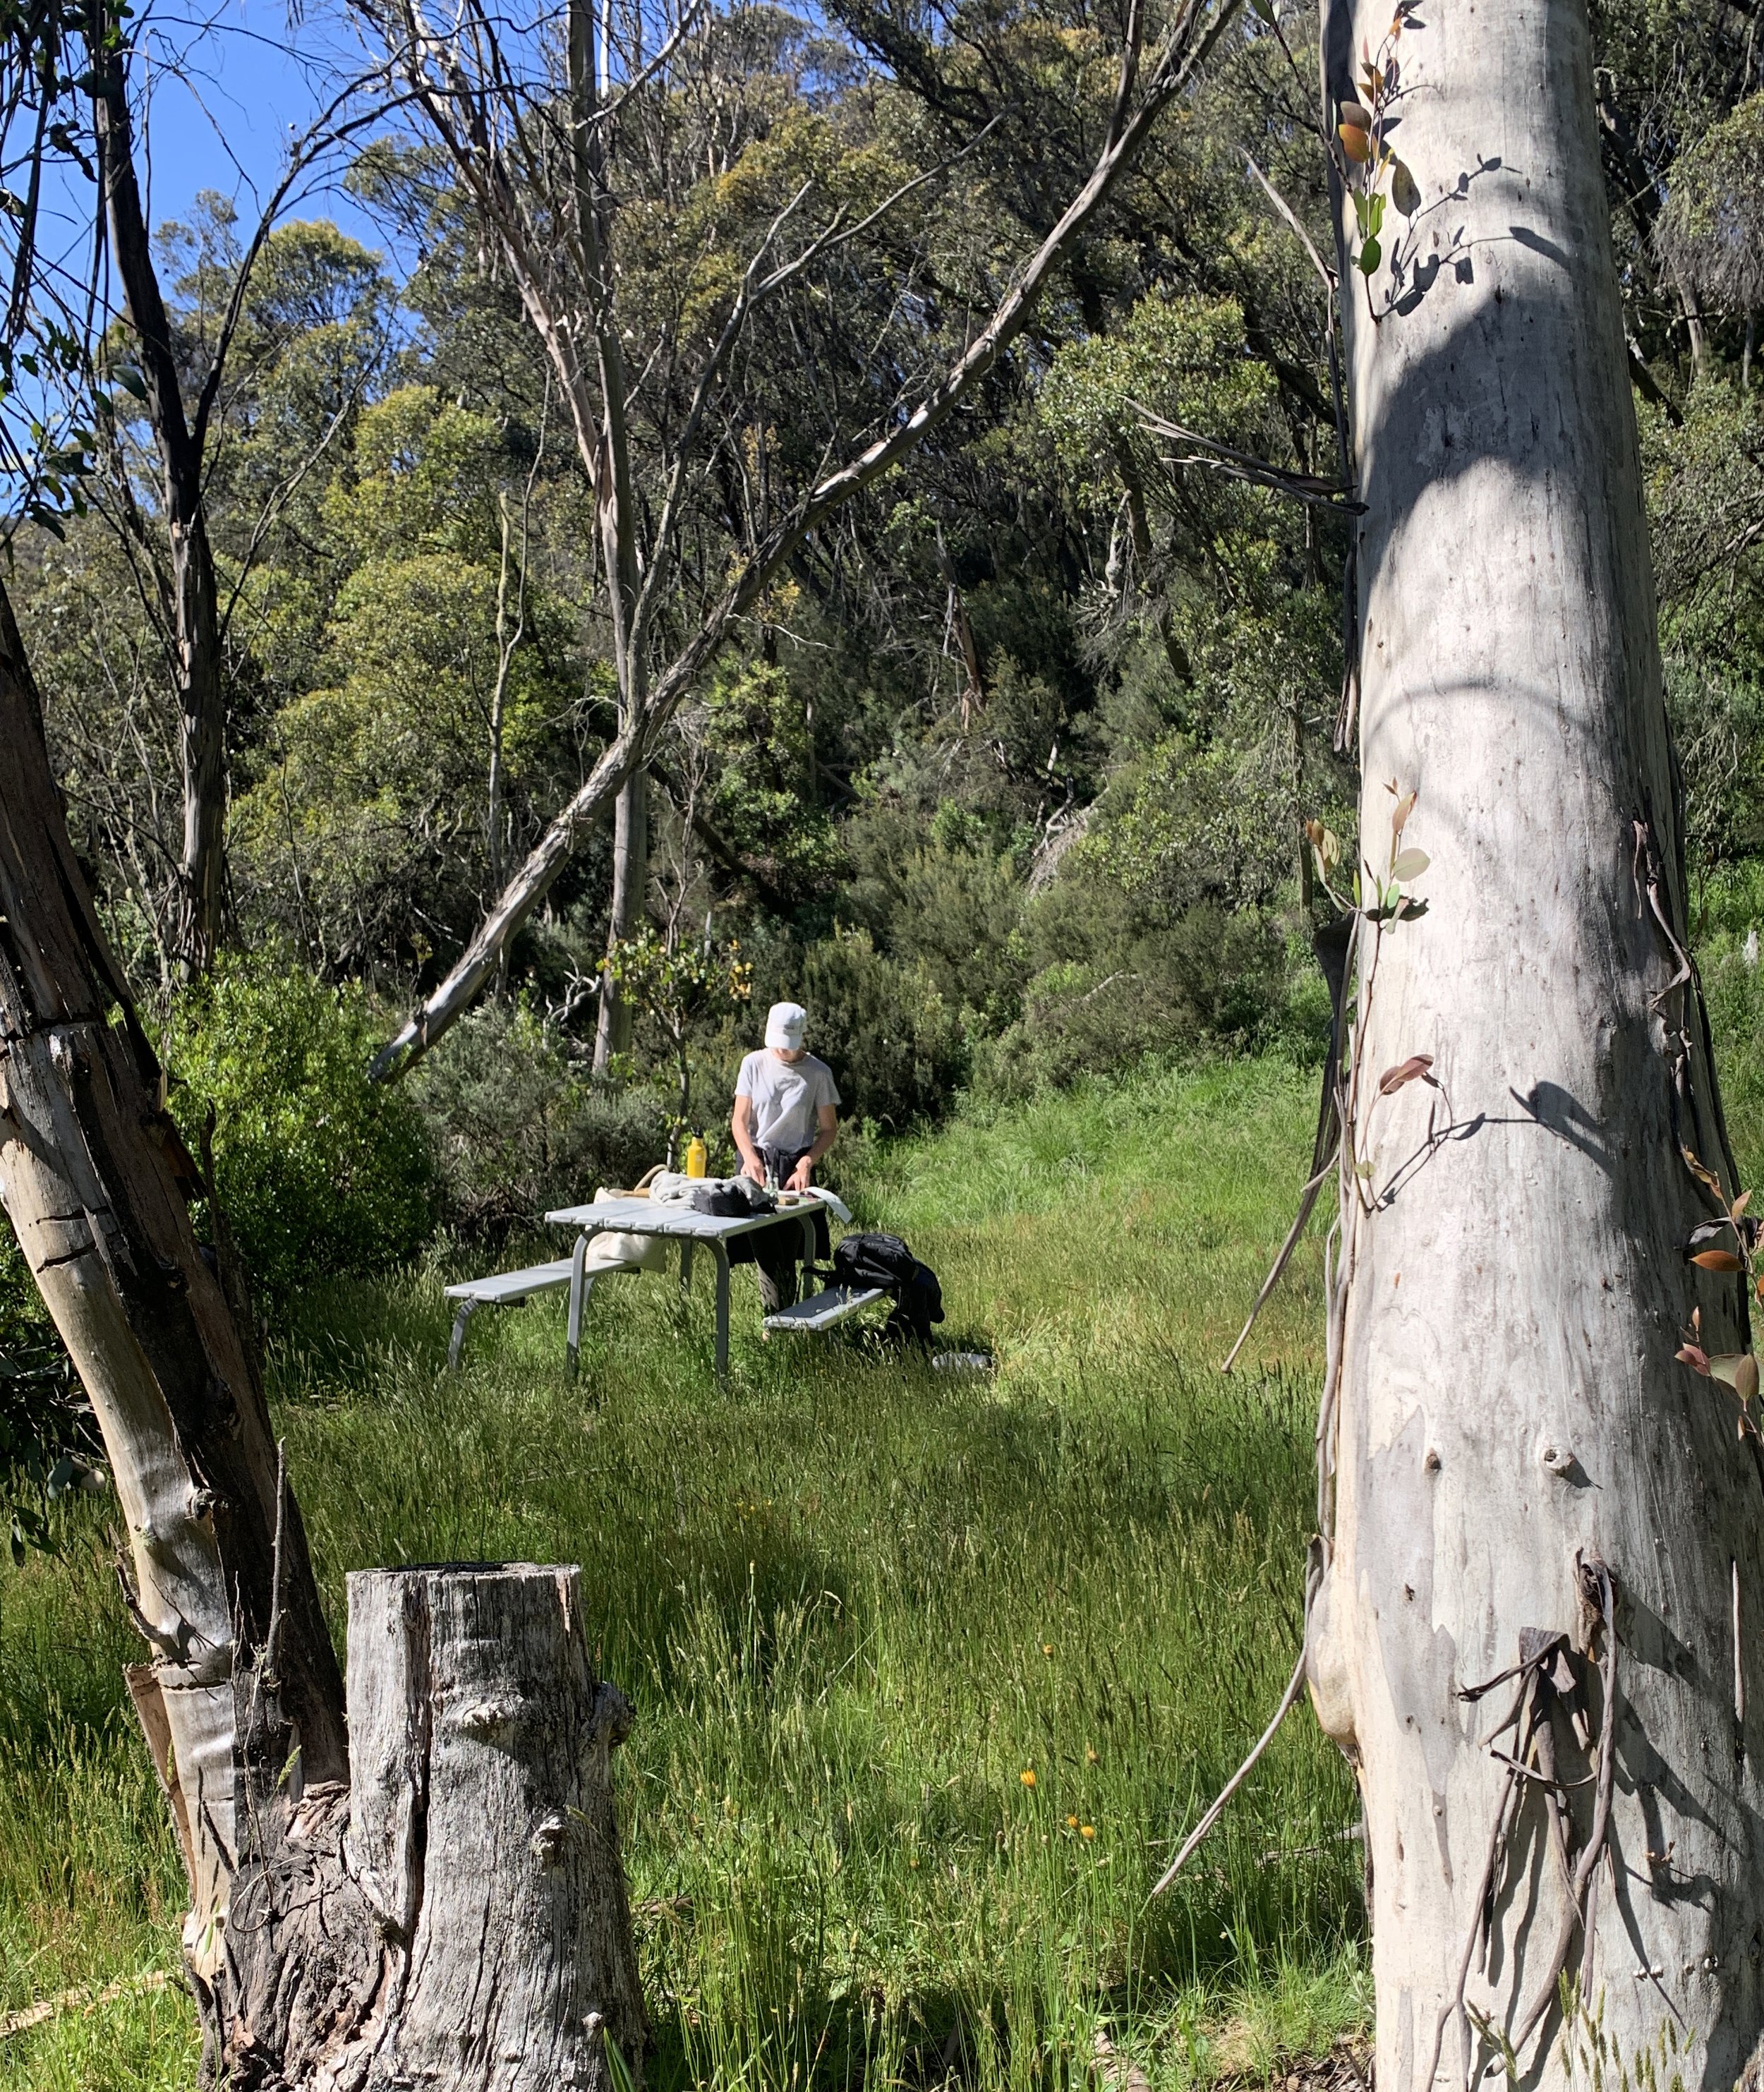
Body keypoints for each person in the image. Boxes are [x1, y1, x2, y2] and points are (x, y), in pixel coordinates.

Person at [730, 1002, 840, 1310]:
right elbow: (739, 1121)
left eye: (788, 1046)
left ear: (802, 1037)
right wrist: (749, 1157)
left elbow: (829, 1129)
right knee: (765, 1248)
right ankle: (774, 1323)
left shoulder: (819, 1073)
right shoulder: (753, 1064)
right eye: (778, 1044)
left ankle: (784, 1323)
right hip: (755, 1162)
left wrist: (807, 1161)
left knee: (789, 1250)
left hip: (795, 1167)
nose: (782, 1051)